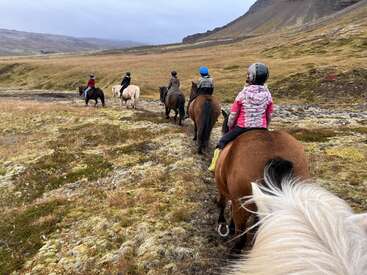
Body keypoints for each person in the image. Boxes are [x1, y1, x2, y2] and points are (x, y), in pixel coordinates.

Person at [208, 63, 273, 172]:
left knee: (222, 141)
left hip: (243, 127)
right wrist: (265, 126)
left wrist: (230, 126)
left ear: (251, 77)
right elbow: (269, 115)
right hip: (261, 127)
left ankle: (214, 165)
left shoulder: (243, 94)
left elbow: (233, 115)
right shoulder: (268, 95)